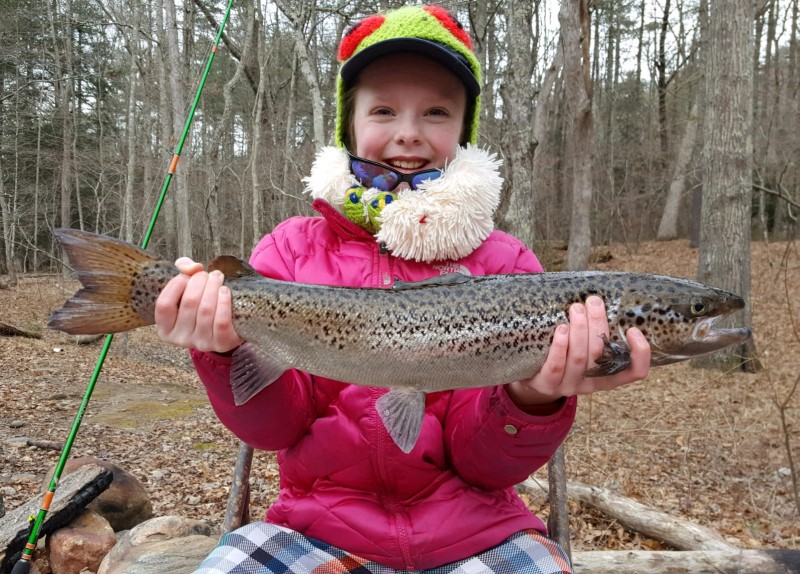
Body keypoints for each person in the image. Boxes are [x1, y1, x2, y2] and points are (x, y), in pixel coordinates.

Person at [155, 5, 651, 573]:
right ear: (350, 125)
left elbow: (485, 466)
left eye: (436, 112)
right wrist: (222, 350)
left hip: (482, 534)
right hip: (312, 530)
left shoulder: (507, 263)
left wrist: (534, 398)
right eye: (384, 109)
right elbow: (275, 431)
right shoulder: (289, 252)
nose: (409, 132)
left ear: (464, 131)